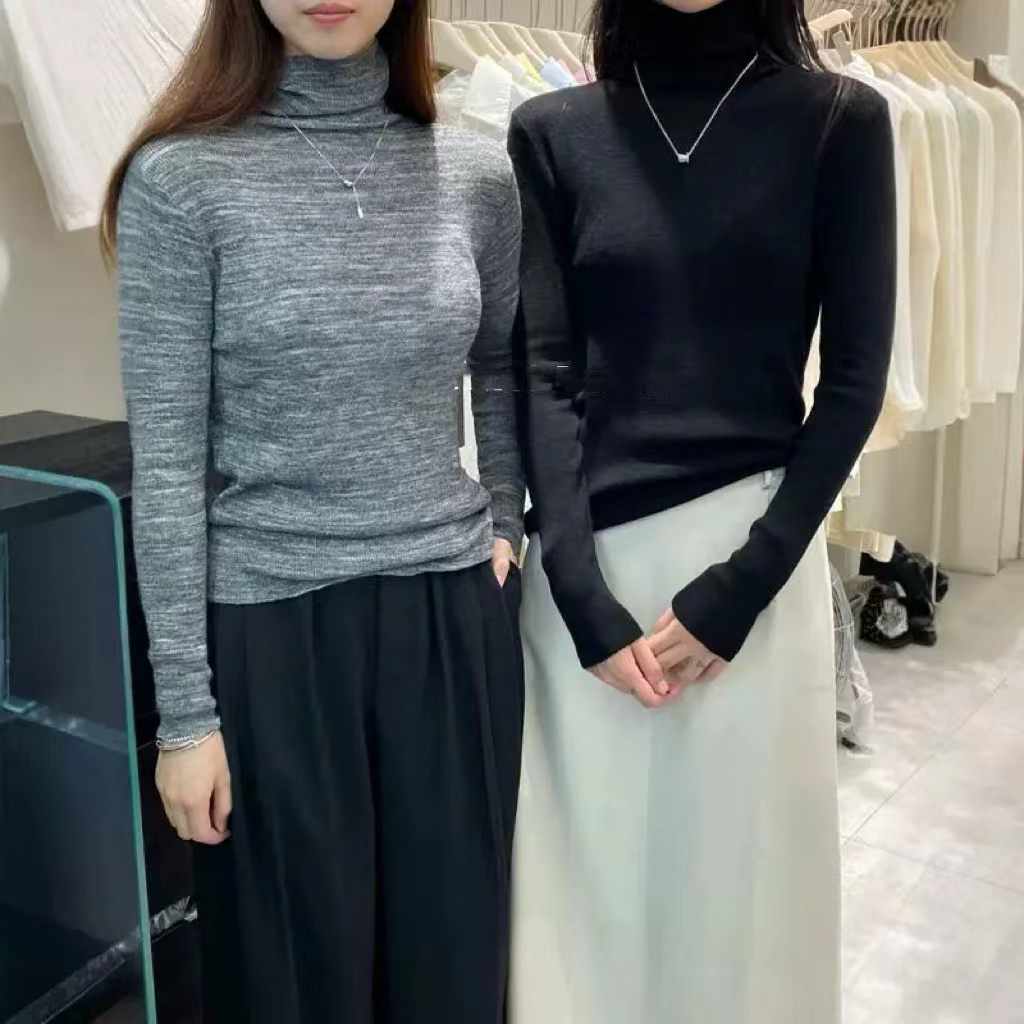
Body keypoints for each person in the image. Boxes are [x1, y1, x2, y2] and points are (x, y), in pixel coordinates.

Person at [100, 0, 526, 1019]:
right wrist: (184, 716)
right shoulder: (182, 179)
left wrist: (506, 518)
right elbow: (168, 464)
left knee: (451, 971)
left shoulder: (476, 170)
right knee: (292, 983)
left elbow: (503, 364)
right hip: (272, 632)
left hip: (447, 619)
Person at [507, 0, 895, 1021]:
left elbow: (854, 382)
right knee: (580, 911)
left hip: (751, 573)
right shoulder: (551, 132)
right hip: (586, 583)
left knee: (743, 915)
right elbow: (543, 369)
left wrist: (743, 587)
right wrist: (578, 591)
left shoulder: (838, 121)